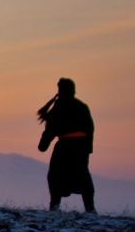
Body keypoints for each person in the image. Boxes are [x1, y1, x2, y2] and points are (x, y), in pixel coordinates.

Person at [37, 77, 95, 212]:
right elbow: (90, 128)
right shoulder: (82, 107)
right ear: (73, 91)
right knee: (83, 177)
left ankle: (55, 206)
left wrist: (43, 145)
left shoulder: (58, 107)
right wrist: (87, 149)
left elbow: (50, 129)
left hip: (64, 148)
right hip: (80, 149)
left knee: (55, 176)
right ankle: (90, 209)